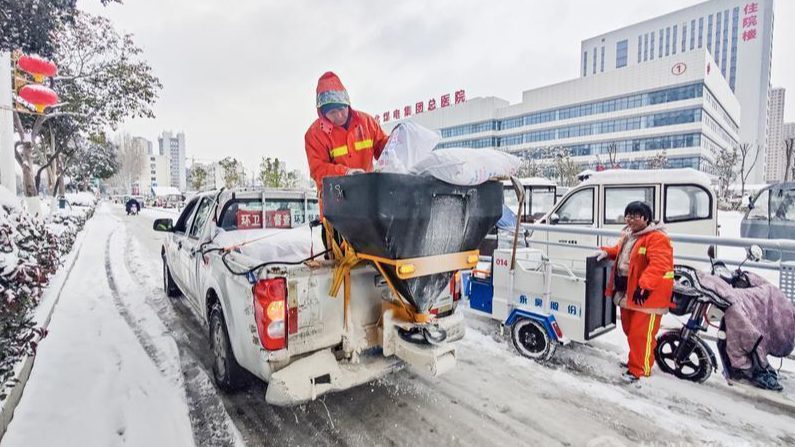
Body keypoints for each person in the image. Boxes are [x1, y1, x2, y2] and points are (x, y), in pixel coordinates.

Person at [304, 72, 389, 253]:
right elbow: (318, 169)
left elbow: (385, 149)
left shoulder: (367, 123)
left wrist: (400, 142)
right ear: (322, 113)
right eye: (332, 112)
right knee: (341, 264)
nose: (339, 115)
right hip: (336, 216)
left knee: (374, 261)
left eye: (342, 109)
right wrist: (346, 173)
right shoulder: (314, 135)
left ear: (348, 103)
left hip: (369, 210)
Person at [596, 201, 674, 383]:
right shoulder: (629, 235)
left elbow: (659, 264)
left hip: (648, 296)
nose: (630, 220)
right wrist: (606, 252)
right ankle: (635, 361)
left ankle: (640, 370)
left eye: (635, 216)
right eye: (628, 216)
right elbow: (620, 252)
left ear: (646, 218)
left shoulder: (656, 238)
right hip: (628, 292)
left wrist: (645, 286)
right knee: (630, 330)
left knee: (641, 335)